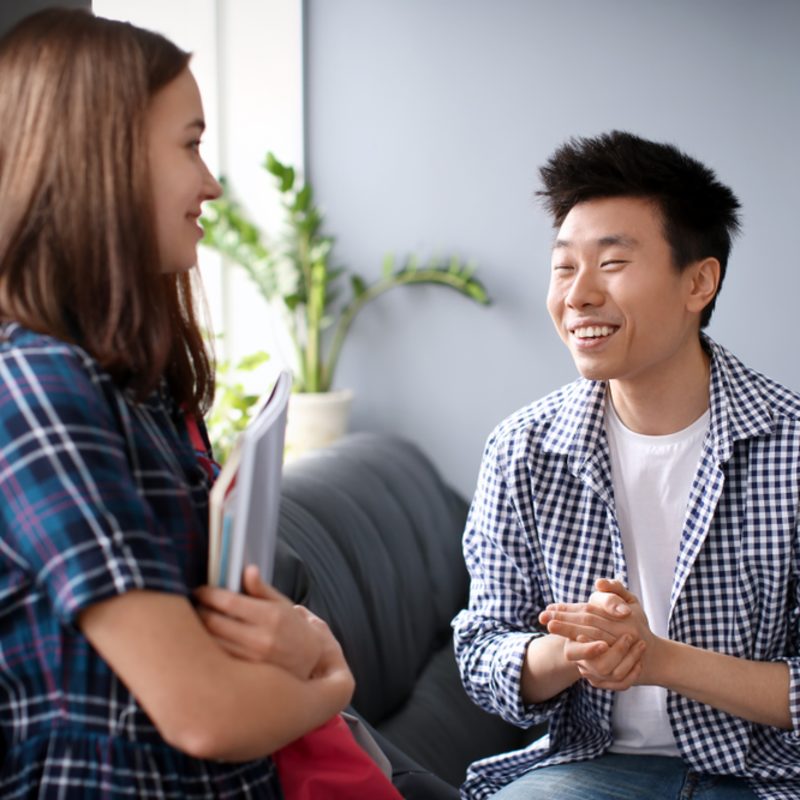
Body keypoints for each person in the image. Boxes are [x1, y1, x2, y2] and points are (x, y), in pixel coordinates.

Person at [0, 8, 357, 798]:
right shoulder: (38, 387)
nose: (212, 184)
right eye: (190, 144)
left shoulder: (141, 388)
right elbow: (205, 715)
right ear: (101, 159)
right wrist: (330, 681)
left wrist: (295, 636)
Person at [452, 131, 800, 799]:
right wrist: (577, 651)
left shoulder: (790, 445)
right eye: (563, 268)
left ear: (699, 281)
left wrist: (659, 659)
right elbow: (481, 651)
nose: (578, 296)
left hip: (764, 776)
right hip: (587, 767)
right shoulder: (522, 450)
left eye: (612, 263)